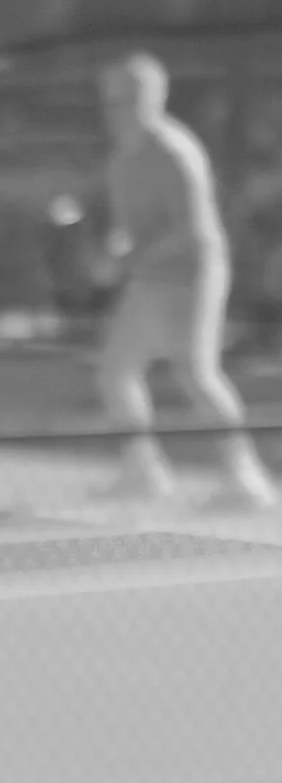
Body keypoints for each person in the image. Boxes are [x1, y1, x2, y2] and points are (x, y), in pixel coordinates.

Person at [93, 52, 275, 506]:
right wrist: (114, 254)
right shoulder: (119, 162)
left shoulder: (176, 152)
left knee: (196, 372)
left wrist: (129, 257)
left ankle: (245, 477)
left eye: (130, 97)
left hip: (197, 272)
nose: (119, 109)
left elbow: (189, 229)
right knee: (116, 370)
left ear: (155, 98)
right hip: (151, 277)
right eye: (113, 99)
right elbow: (130, 230)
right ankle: (143, 472)